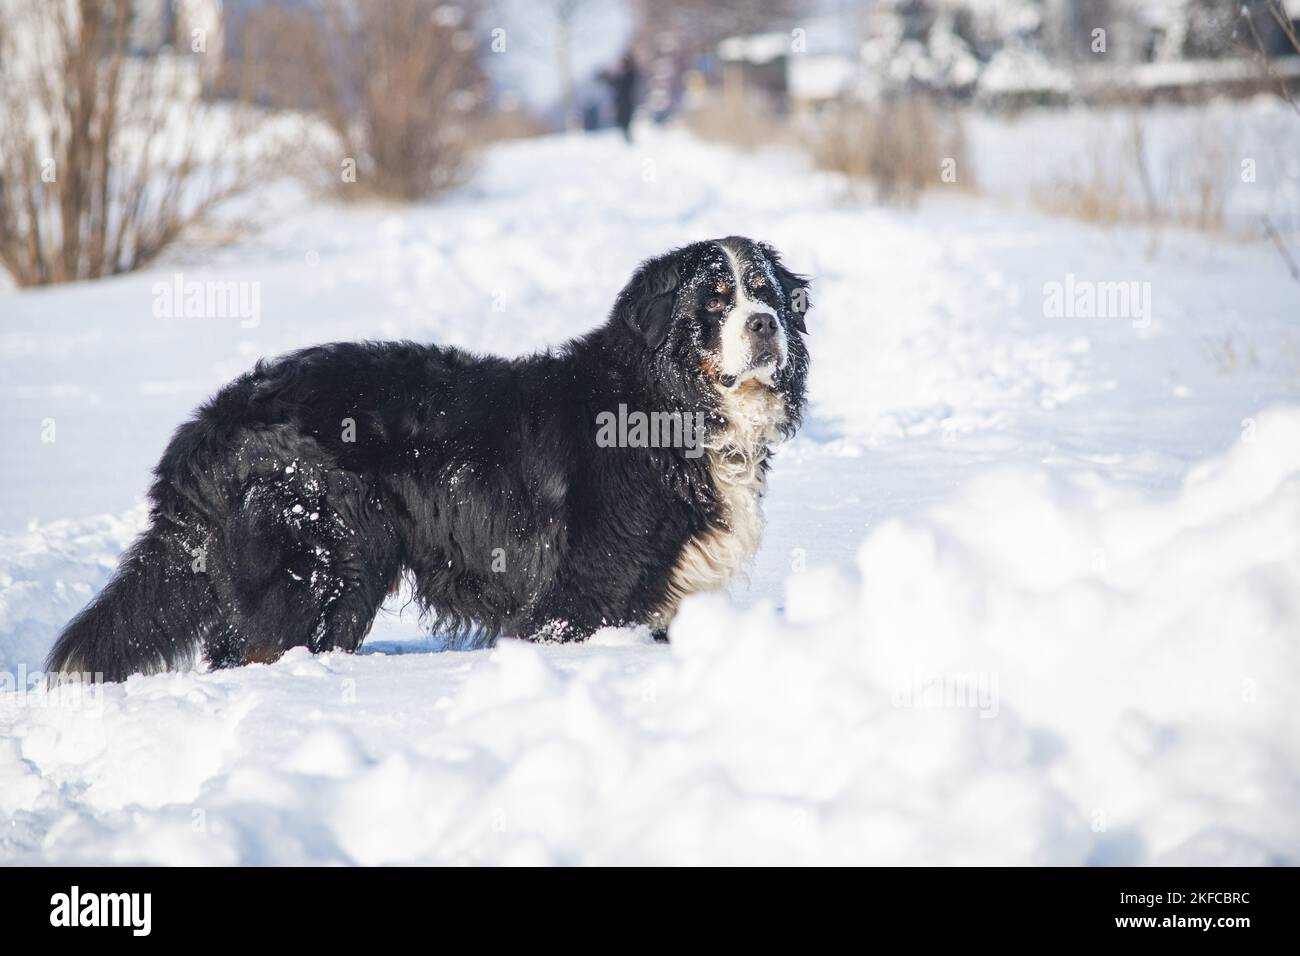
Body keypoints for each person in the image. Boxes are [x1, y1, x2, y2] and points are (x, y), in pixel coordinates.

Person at [601, 51, 640, 143]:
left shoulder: (630, 75)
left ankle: (629, 141)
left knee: (625, 122)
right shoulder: (626, 75)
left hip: (626, 102)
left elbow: (618, 85)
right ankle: (628, 140)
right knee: (623, 123)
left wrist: (609, 78)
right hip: (623, 103)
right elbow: (615, 84)